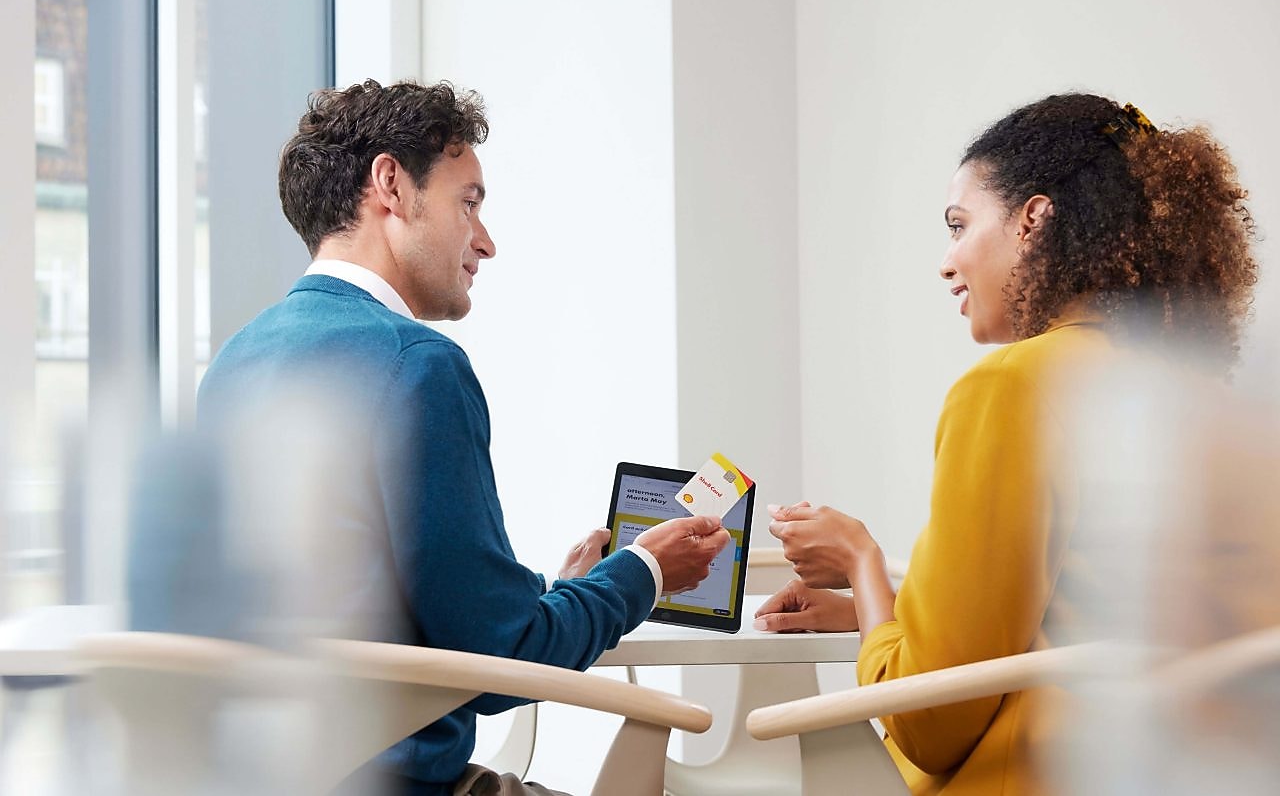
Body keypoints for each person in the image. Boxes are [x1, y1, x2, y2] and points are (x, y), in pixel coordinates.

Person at [195, 79, 730, 796]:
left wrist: (566, 593)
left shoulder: (234, 362)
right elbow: (501, 660)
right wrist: (644, 572)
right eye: (468, 202)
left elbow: (386, 609)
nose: (486, 241)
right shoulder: (419, 365)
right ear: (391, 185)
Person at [754, 93, 1259, 794]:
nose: (946, 262)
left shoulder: (1012, 385)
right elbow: (1086, 611)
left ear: (1033, 219)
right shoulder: (1199, 398)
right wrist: (877, 612)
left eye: (958, 225)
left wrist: (859, 561)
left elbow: (928, 722)